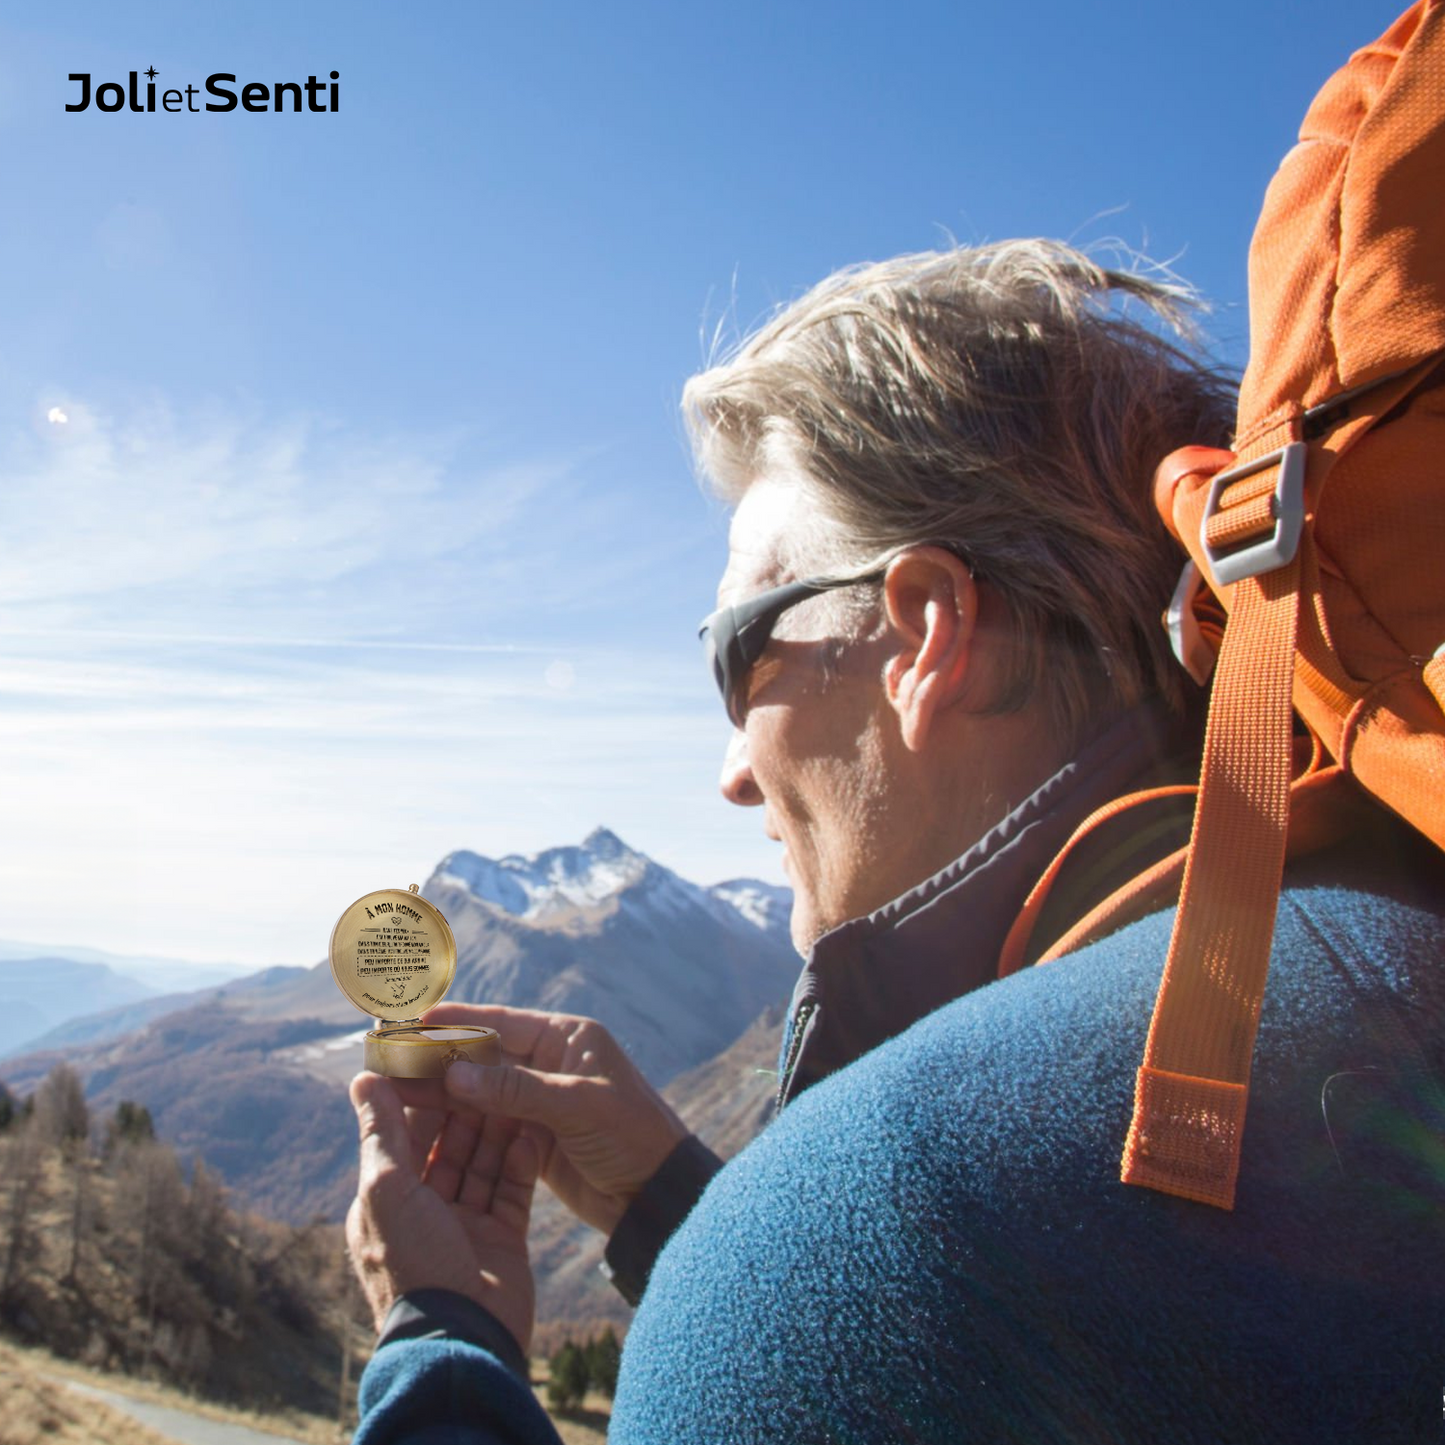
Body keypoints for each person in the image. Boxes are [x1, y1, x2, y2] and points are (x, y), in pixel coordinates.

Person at [344, 241, 1445, 1443]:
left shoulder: (885, 1224)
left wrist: (445, 1337)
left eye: (735, 652)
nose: (727, 773)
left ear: (924, 634)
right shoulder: (1390, 945)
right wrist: (679, 1215)